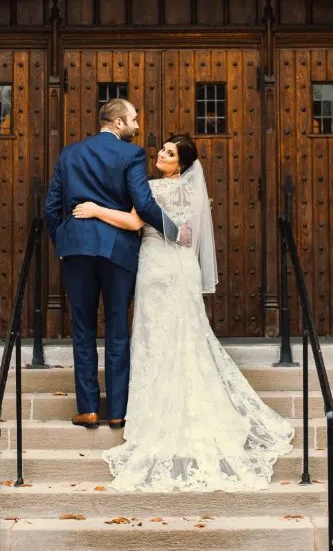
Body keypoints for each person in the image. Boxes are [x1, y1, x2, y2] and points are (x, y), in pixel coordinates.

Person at [72, 134, 295, 492]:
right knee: (186, 338)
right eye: (162, 149)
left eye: (170, 153)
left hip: (157, 268)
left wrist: (94, 210)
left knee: (154, 337)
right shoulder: (193, 194)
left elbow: (134, 223)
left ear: (182, 165)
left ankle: (150, 416)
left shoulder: (151, 188)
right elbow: (187, 235)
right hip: (182, 268)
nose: (161, 154)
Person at [44, 98, 184, 431]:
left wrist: (64, 242)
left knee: (82, 329)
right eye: (134, 119)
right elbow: (144, 202)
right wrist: (175, 232)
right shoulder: (131, 154)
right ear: (118, 123)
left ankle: (89, 408)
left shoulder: (69, 154)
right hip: (119, 251)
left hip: (77, 249)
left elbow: (52, 208)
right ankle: (118, 411)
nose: (138, 125)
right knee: (118, 329)